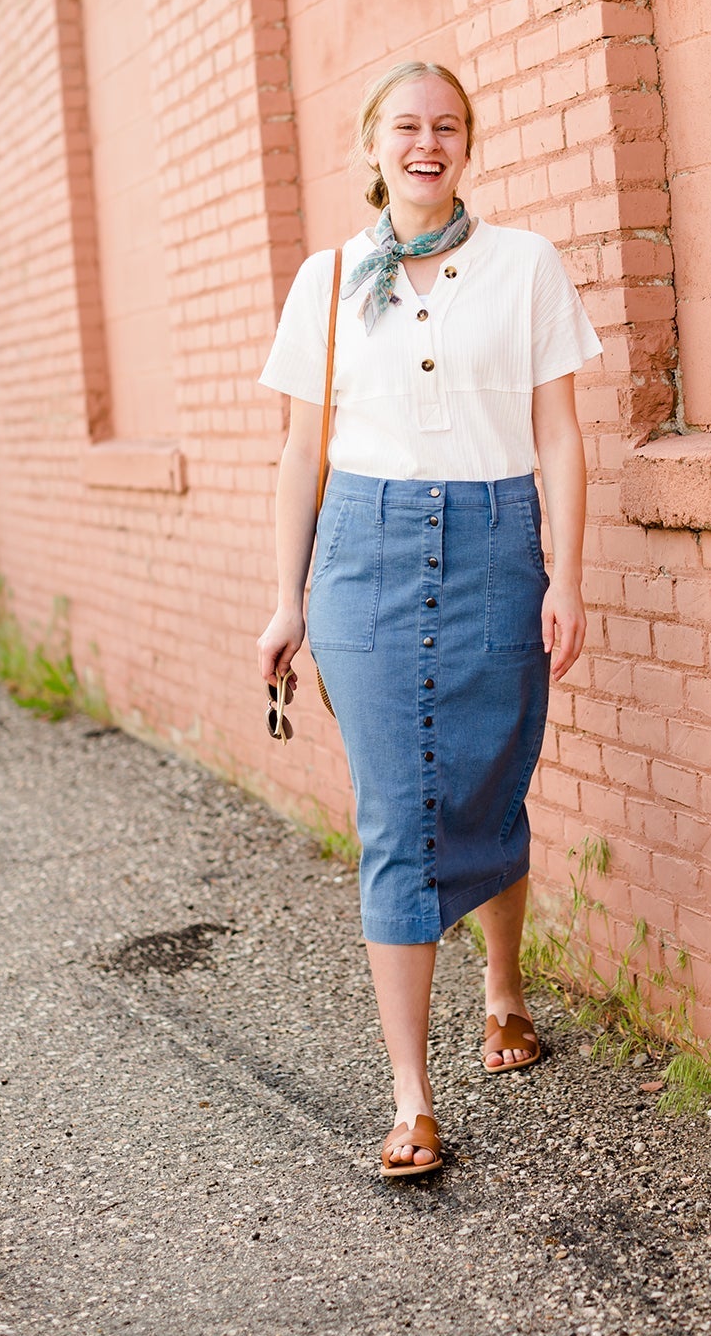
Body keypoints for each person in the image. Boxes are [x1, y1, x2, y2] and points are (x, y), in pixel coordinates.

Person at [255, 59, 601, 1178]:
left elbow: (558, 436)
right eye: (405, 126)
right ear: (371, 144)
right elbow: (301, 454)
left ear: (468, 143)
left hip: (501, 544)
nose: (426, 143)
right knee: (398, 810)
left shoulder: (526, 267)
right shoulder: (329, 278)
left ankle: (503, 992)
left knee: (493, 780)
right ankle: (411, 1100)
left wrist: (568, 574)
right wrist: (285, 600)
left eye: (446, 126)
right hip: (363, 556)